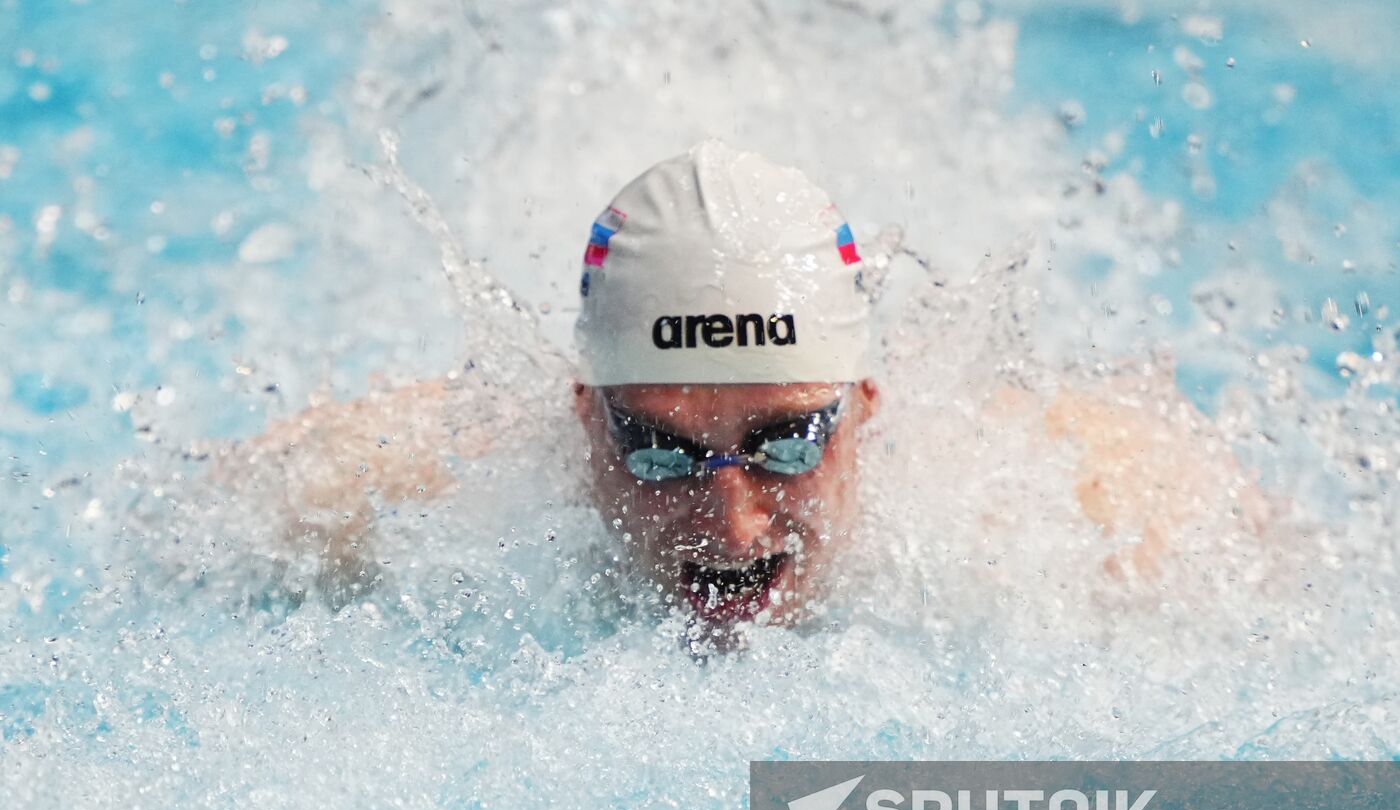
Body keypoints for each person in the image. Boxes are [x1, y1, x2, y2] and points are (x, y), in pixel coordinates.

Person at [218, 140, 1267, 629]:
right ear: (581, 419)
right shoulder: (386, 504)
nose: (728, 523)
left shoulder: (1087, 513)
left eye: (785, 443)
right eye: (658, 449)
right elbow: (187, 542)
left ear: (864, 409)